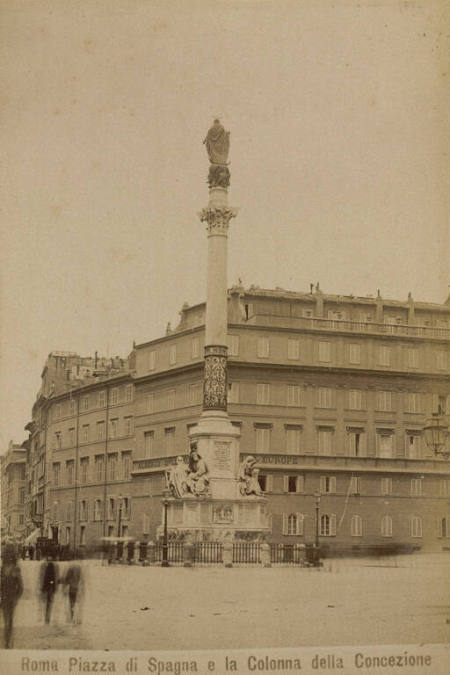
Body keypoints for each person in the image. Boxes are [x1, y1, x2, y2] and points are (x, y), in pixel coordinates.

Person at [0, 547, 24, 648]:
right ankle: (7, 641)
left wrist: (16, 598)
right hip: (4, 598)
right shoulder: (1, 570)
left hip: (11, 599)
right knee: (7, 621)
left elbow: (21, 587)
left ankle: (8, 641)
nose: (7, 558)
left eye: (9, 556)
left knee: (9, 621)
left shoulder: (16, 569)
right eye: (6, 556)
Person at [62, 557, 83, 623]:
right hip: (79, 588)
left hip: (72, 588)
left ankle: (72, 617)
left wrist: (63, 584)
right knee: (78, 603)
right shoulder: (80, 568)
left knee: (72, 603)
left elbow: (67, 579)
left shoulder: (70, 568)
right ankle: (78, 618)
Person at [39, 555, 59, 624]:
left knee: (47, 603)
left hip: (48, 587)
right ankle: (47, 618)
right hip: (49, 587)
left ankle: (46, 618)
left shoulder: (49, 566)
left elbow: (49, 577)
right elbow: (53, 577)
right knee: (48, 603)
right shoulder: (51, 566)